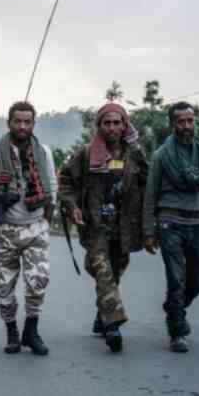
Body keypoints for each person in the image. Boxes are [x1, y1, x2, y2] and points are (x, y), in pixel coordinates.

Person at [59, 103, 149, 352]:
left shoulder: (135, 155)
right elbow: (65, 182)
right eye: (106, 123)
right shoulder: (86, 154)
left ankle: (102, 316)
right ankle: (113, 325)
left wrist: (149, 223)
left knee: (116, 271)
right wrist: (72, 205)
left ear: (124, 125)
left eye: (117, 123)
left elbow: (148, 185)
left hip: (125, 226)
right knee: (102, 269)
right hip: (96, 225)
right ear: (99, 126)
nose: (112, 127)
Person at [143, 101, 199, 353]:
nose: (186, 126)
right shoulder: (161, 155)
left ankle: (175, 307)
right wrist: (149, 231)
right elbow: (150, 195)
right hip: (170, 222)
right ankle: (177, 330)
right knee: (177, 277)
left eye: (190, 120)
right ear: (172, 124)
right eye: (181, 121)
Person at [0, 101, 57, 356]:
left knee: (38, 281)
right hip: (3, 230)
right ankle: (12, 332)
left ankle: (32, 330)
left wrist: (46, 221)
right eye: (17, 121)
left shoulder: (44, 152)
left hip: (35, 226)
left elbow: (52, 186)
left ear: (33, 123)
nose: (22, 126)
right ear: (9, 123)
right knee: (3, 287)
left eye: (27, 122)